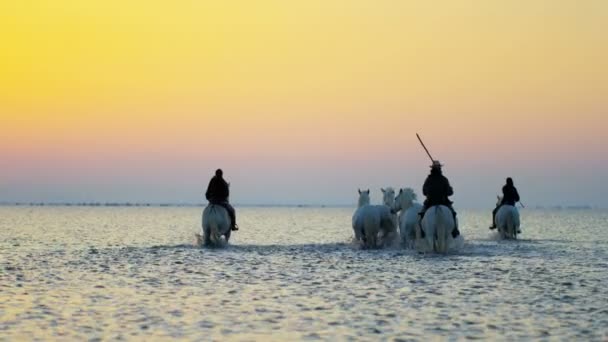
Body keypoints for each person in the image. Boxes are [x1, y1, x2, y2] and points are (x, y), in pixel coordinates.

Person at [419, 160, 459, 238]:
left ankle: (422, 233)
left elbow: (424, 192)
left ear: (432, 168)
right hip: (443, 202)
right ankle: (455, 231)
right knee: (453, 214)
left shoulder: (428, 180)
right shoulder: (444, 179)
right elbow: (449, 192)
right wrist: (450, 189)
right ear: (440, 168)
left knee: (421, 215)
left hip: (430, 203)